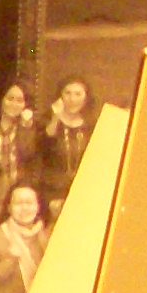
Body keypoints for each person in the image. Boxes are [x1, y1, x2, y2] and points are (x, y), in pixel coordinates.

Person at [38, 76, 97, 212]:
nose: (72, 99)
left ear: (86, 98)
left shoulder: (92, 125)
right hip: (52, 190)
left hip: (82, 189)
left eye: (78, 94)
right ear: (60, 96)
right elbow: (43, 146)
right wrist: (55, 117)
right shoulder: (48, 120)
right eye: (68, 93)